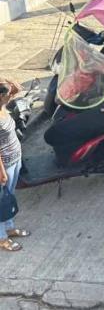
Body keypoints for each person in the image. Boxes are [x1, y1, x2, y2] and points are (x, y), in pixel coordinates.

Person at [0, 78, 29, 252]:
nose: (10, 97)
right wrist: (1, 172)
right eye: (6, 95)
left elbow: (18, 88)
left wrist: (6, 82)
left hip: (15, 158)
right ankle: (2, 238)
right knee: (1, 201)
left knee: (9, 196)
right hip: (4, 163)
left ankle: (9, 228)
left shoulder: (2, 108)